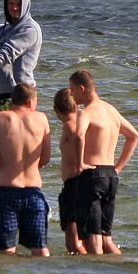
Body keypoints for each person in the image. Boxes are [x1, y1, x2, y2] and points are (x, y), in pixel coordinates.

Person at [69, 69, 138, 255]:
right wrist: (118, 168)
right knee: (106, 238)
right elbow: (134, 136)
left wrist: (79, 164)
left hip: (92, 175)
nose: (71, 95)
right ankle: (120, 268)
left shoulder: (87, 113)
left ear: (82, 88)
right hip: (110, 175)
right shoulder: (111, 111)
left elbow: (78, 136)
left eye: (73, 90)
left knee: (93, 237)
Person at [0, 83, 52, 256]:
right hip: (34, 193)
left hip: (7, 191)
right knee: (40, 250)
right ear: (31, 102)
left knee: (5, 252)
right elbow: (45, 158)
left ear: (12, 101)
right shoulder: (42, 119)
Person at [52, 87, 86, 254]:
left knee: (72, 242)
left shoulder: (69, 126)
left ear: (56, 109)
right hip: (82, 184)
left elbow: (77, 139)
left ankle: (84, 266)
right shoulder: (82, 124)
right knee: (85, 236)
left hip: (73, 184)